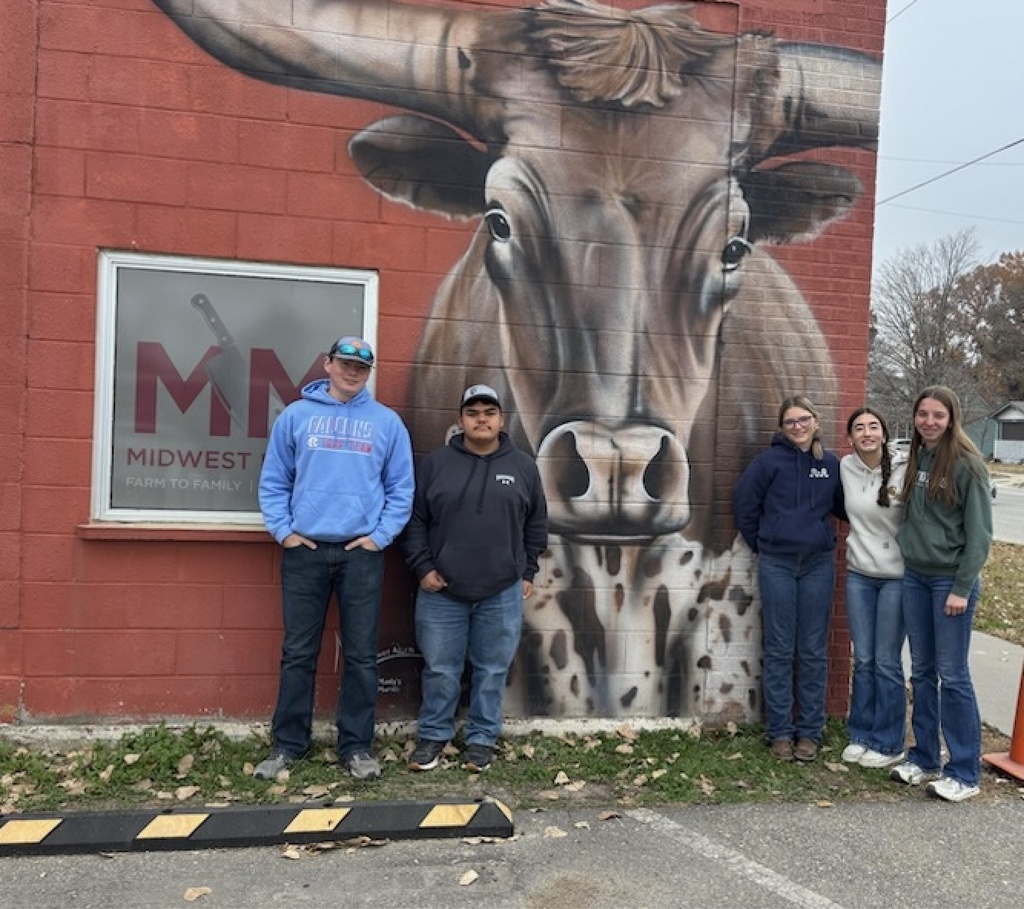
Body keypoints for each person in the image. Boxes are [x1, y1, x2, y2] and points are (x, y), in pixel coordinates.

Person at [255, 336, 414, 781]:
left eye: (361, 368)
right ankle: (288, 745)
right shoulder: (296, 417)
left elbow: (402, 489)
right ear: (327, 365)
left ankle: (357, 747)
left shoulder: (387, 424)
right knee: (298, 653)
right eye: (345, 364)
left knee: (362, 655)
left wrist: (380, 537)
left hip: (360, 554)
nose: (352, 372)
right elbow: (274, 480)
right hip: (305, 552)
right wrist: (284, 532)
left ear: (368, 373)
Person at [401, 384, 548, 773]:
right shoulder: (436, 463)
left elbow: (537, 524)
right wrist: (422, 568)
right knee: (440, 669)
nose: (481, 418)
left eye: (489, 411)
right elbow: (416, 520)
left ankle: (482, 740)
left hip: (501, 590)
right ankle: (433, 736)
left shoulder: (523, 467)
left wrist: (527, 571)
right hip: (441, 590)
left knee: (492, 670)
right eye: (472, 412)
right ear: (460, 420)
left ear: (501, 419)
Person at [890, 386, 993, 802]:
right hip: (915, 577)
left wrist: (962, 588)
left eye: (938, 415)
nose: (929, 421)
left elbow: (981, 535)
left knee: (953, 677)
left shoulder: (967, 464)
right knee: (921, 672)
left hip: (949, 584)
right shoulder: (917, 458)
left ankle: (965, 772)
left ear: (952, 419)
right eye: (922, 414)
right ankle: (924, 757)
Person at [733, 395, 845, 763]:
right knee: (780, 649)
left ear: (816, 421)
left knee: (813, 650)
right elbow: (745, 506)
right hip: (777, 563)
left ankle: (810, 732)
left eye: (803, 420)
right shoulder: (767, 463)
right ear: (782, 427)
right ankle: (780, 731)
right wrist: (764, 544)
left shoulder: (829, 465)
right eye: (790, 422)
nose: (797, 427)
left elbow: (845, 508)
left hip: (817, 564)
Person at [839, 407, 908, 769]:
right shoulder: (845, 468)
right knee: (863, 660)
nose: (867, 433)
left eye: (873, 427)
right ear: (850, 437)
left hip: (897, 578)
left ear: (883, 432)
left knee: (886, 661)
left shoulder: (904, 467)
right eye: (859, 428)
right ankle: (861, 734)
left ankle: (889, 741)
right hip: (860, 575)